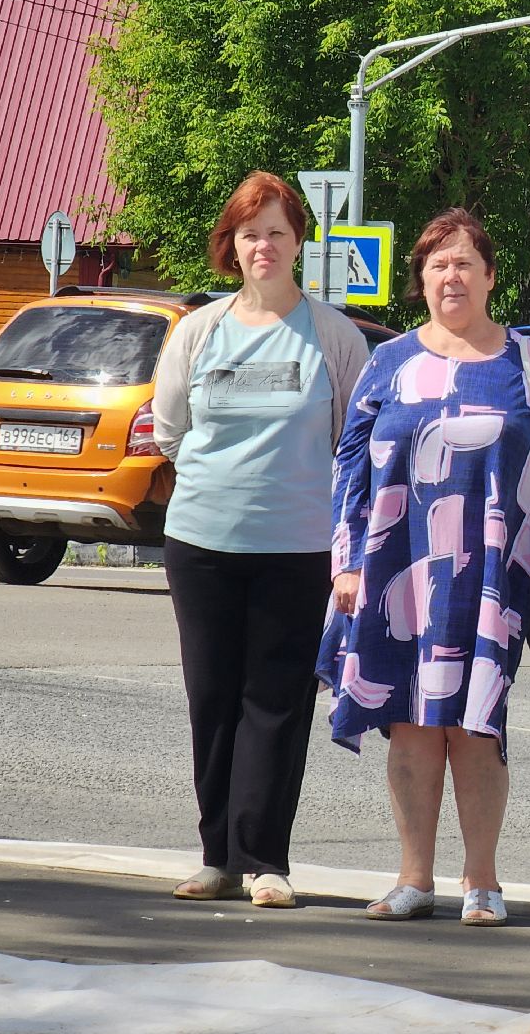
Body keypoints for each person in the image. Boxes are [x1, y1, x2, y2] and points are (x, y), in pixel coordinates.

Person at [317, 208, 530, 927]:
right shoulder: (390, 360)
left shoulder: (528, 361)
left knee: (477, 723)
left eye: (464, 263)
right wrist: (346, 562)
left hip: (493, 566)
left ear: (490, 276)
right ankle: (412, 879)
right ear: (420, 280)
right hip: (395, 563)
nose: (451, 275)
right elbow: (349, 467)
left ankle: (482, 882)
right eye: (437, 264)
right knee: (408, 722)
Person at [153, 170, 369, 909]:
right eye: (252, 233)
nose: (264, 245)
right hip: (203, 542)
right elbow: (172, 431)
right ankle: (215, 856)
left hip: (298, 547)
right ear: (232, 245)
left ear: (299, 241)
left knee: (276, 700)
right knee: (212, 696)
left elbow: (354, 442)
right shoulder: (198, 331)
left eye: (278, 231)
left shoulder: (334, 337)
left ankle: (264, 860)